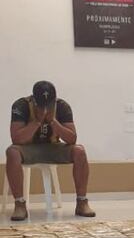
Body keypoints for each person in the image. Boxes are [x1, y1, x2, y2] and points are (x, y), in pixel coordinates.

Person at [6, 81, 95, 221]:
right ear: (34, 100)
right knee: (12, 152)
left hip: (53, 146)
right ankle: (19, 204)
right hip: (29, 148)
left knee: (79, 151)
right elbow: (16, 139)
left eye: (49, 105)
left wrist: (53, 121)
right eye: (41, 106)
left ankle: (82, 202)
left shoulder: (62, 106)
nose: (46, 109)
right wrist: (37, 122)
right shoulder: (21, 105)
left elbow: (72, 139)